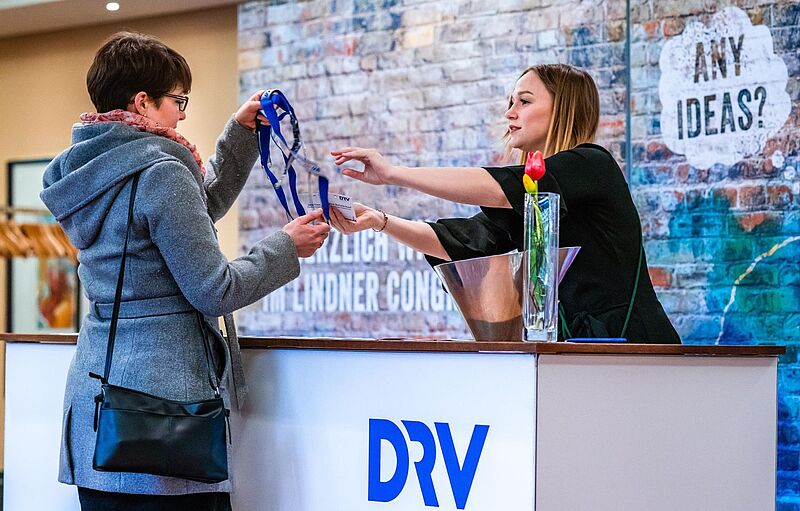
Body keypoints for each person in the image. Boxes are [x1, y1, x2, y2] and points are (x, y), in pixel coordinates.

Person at [40, 32, 330, 510]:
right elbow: (216, 289)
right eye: (177, 100)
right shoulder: (161, 171)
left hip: (100, 414)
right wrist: (286, 248)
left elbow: (190, 212)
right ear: (143, 102)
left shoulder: (91, 168)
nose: (183, 112)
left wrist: (239, 135)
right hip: (164, 420)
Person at [329, 63, 680, 344]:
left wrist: (393, 173)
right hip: (578, 351)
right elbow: (466, 241)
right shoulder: (527, 192)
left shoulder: (590, 164)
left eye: (524, 102)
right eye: (510, 103)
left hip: (635, 347)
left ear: (563, 109)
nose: (510, 113)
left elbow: (498, 187)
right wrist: (380, 220)